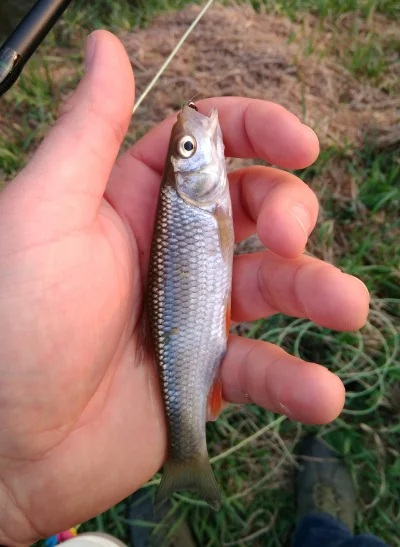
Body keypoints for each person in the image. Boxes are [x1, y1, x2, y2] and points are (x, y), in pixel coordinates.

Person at [0, 30, 376, 547]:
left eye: (189, 146)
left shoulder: (196, 201)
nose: (199, 142)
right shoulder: (193, 200)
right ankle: (212, 470)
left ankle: (190, 467)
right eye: (190, 147)